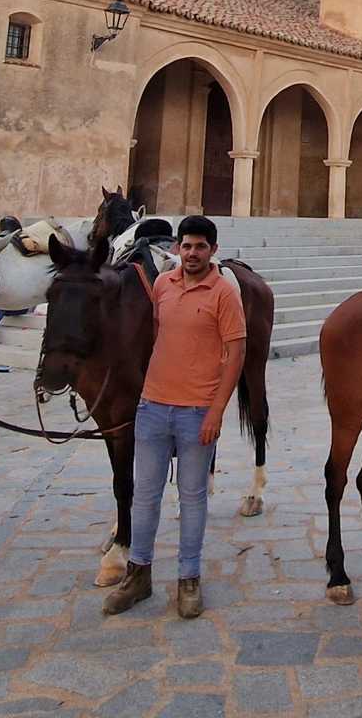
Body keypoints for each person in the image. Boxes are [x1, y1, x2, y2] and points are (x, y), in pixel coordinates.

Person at [105, 215, 247, 620]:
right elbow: (156, 334)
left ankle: (189, 578)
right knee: (145, 496)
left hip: (197, 411)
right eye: (186, 246)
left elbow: (236, 353)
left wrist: (216, 411)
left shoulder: (224, 294)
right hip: (153, 407)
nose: (192, 253)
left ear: (213, 251)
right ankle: (139, 573)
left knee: (192, 498)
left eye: (201, 246)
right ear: (177, 248)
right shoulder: (164, 285)